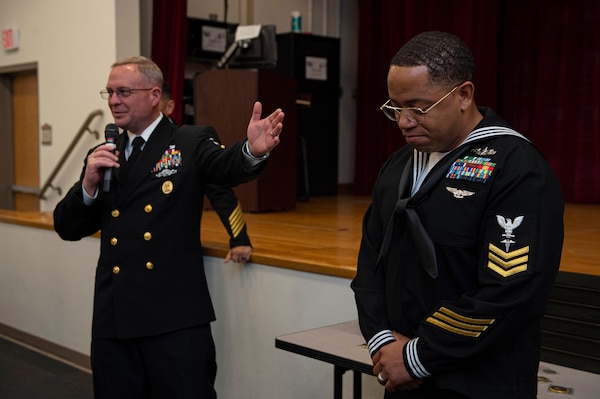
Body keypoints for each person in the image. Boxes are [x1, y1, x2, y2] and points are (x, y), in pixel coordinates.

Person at [53, 56, 284, 399]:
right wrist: (87, 185)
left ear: (153, 95)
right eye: (110, 92)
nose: (114, 100)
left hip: (173, 319)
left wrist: (251, 150)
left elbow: (223, 169)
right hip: (114, 317)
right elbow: (66, 226)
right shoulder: (104, 153)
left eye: (124, 92)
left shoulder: (189, 141)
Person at [351, 31, 564, 398]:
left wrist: (418, 355)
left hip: (478, 381)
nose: (403, 122)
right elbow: (370, 264)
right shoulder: (398, 165)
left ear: (464, 95)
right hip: (401, 373)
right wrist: (383, 342)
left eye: (418, 108)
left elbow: (512, 293)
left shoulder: (516, 168)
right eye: (395, 108)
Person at [160, 80, 253, 264]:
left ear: (169, 106)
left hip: (174, 257)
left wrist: (239, 239)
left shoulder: (188, 144)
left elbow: (220, 192)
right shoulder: (126, 147)